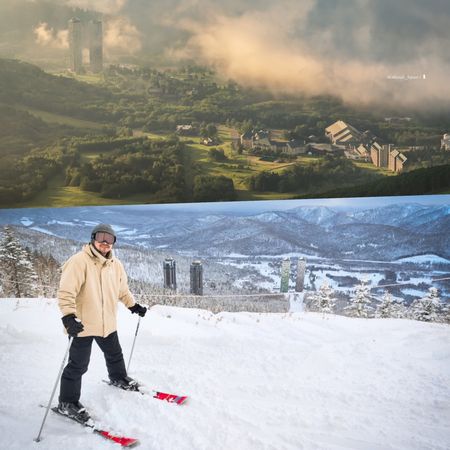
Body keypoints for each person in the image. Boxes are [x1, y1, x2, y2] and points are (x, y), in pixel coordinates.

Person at [57, 223, 147, 422]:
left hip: (107, 323)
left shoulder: (115, 265)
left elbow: (122, 290)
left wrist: (133, 306)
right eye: (101, 238)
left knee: (115, 354)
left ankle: (118, 377)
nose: (105, 243)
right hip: (82, 324)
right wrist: (68, 317)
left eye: (110, 239)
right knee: (77, 366)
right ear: (93, 238)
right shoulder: (79, 262)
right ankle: (67, 402)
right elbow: (66, 292)